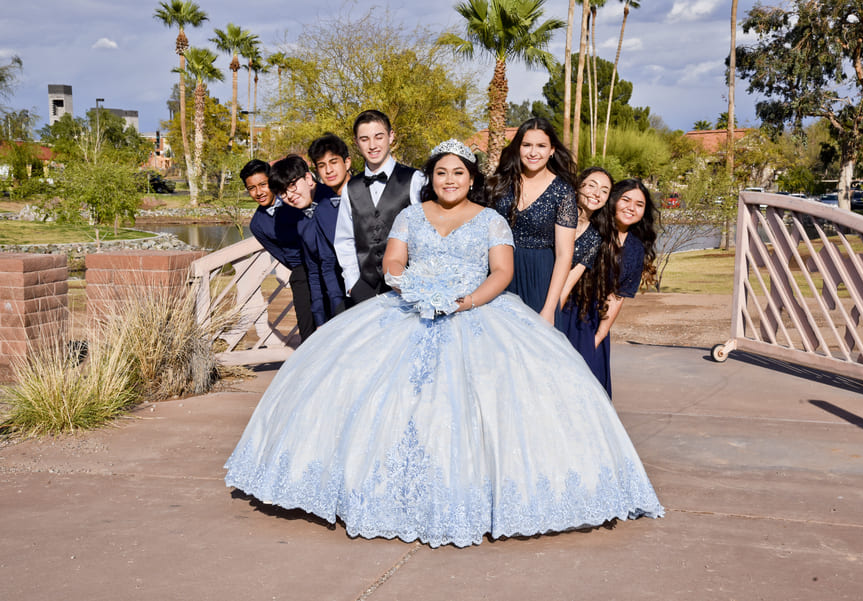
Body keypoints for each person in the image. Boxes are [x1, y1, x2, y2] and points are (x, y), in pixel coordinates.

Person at [225, 140, 663, 549]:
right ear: (431, 178)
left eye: (457, 172)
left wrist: (466, 300)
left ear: (471, 178)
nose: (449, 180)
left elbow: (502, 272)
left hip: (479, 312)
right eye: (440, 173)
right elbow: (393, 259)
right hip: (411, 307)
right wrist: (409, 284)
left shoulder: (491, 219)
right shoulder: (412, 216)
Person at [557, 178, 658, 397]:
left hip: (592, 323)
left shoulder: (635, 248)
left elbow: (617, 296)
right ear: (613, 201)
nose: (631, 207)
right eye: (626, 200)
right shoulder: (592, 231)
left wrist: (597, 337)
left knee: (588, 392)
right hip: (564, 311)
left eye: (639, 205)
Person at [488, 117, 578, 324]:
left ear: (552, 150)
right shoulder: (500, 184)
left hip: (540, 279)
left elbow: (565, 255)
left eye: (541, 146)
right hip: (497, 273)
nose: (533, 152)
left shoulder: (562, 191)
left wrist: (549, 307)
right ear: (518, 148)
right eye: (526, 145)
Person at [333, 110, 427, 305]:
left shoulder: (414, 179)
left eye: (379, 136)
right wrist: (353, 283)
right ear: (356, 142)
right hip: (365, 289)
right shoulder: (350, 188)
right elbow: (344, 240)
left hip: (408, 287)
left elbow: (426, 233)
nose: (373, 145)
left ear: (391, 136)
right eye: (365, 139)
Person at [242, 159, 316, 342]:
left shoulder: (294, 199)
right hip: (302, 269)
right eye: (252, 188)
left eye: (263, 185)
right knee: (308, 328)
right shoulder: (257, 224)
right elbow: (282, 255)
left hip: (327, 261)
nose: (258, 192)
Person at [268, 154, 345, 326]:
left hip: (360, 295)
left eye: (293, 185)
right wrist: (319, 316)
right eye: (282, 193)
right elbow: (313, 269)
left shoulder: (338, 201)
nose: (290, 195)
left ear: (308, 178)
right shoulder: (301, 220)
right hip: (333, 302)